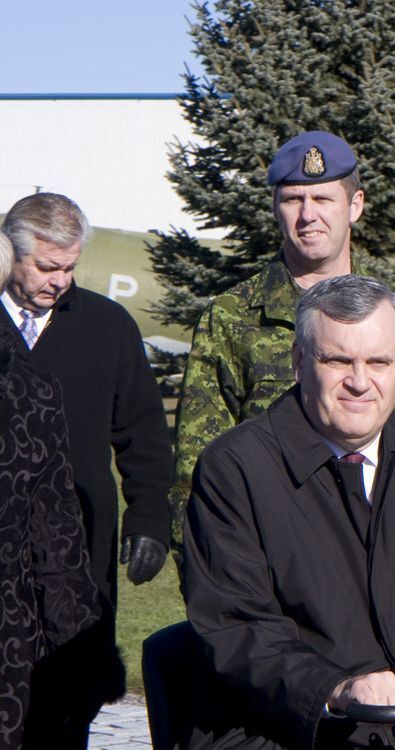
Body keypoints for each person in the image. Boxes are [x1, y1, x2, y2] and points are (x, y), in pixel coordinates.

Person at [183, 275, 395, 750]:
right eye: (337, 360)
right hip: (291, 727)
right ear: (298, 362)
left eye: (379, 362)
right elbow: (238, 628)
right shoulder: (236, 469)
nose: (359, 381)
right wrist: (337, 689)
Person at [171, 130, 395, 554]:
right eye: (293, 200)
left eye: (324, 199)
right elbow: (195, 471)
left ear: (355, 206)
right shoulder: (232, 319)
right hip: (276, 565)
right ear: (275, 207)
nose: (308, 215)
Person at [0, 192, 173, 746]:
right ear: (10, 254)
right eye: (47, 267)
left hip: (79, 543)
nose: (60, 281)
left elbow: (143, 433)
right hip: (4, 546)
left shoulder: (106, 326)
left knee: (70, 691)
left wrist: (149, 518)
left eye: (70, 267)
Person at [0, 232, 100, 749]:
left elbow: (56, 551)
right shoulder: (33, 393)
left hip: (12, 655)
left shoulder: (33, 395)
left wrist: (78, 658)